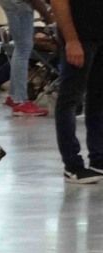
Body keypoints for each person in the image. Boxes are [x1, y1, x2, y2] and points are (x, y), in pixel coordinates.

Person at [52, 0, 103, 184]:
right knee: (70, 100)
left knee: (98, 99)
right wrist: (71, 40)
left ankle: (99, 159)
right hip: (80, 37)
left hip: (98, 35)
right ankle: (72, 165)